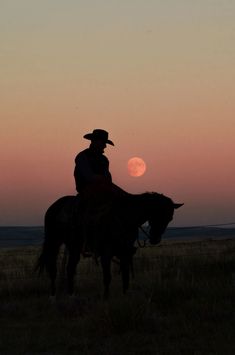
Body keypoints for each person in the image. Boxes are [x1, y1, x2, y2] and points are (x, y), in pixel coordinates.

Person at [73, 129, 116, 255]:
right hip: (86, 189)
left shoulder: (104, 160)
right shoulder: (82, 157)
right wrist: (103, 179)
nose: (104, 146)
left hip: (103, 189)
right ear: (94, 142)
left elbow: (108, 176)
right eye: (102, 143)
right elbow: (88, 176)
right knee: (89, 211)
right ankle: (87, 242)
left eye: (104, 143)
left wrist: (107, 182)